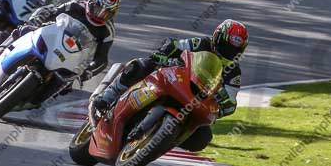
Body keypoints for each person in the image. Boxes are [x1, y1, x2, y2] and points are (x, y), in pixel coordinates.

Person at [92, 19, 248, 152]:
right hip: (177, 80)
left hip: (197, 102)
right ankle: (107, 96)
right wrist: (164, 53)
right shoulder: (200, 43)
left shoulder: (234, 72)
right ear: (217, 37)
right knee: (141, 64)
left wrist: (224, 104)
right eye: (226, 46)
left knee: (203, 137)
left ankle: (163, 140)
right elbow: (176, 45)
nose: (229, 52)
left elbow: (231, 101)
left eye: (234, 50)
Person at [0, 0, 120, 109]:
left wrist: (89, 71)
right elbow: (52, 11)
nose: (100, 15)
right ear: (91, 2)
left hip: (74, 57)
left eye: (106, 13)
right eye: (98, 9)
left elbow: (102, 59)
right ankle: (2, 48)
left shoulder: (108, 31)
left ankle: (36, 100)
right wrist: (37, 22)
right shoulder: (76, 5)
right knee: (24, 30)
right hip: (55, 39)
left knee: (66, 84)